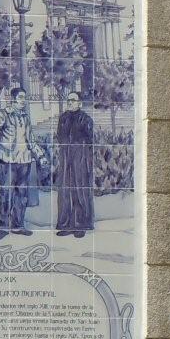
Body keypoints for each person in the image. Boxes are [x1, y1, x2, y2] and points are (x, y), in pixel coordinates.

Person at [0, 87, 48, 240]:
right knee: (5, 194)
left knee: (22, 195)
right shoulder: (3, 114)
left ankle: (18, 225)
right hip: (8, 160)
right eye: (21, 97)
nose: (23, 100)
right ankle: (1, 227)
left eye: (24, 97)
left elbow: (31, 139)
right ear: (13, 99)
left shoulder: (25, 117)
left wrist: (41, 156)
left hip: (25, 160)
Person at [54, 90, 96, 238]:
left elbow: (91, 141)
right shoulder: (63, 118)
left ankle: (80, 224)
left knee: (80, 189)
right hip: (66, 157)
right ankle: (65, 224)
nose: (70, 102)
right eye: (68, 100)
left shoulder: (86, 119)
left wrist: (84, 157)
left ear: (80, 103)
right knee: (65, 190)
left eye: (73, 100)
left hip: (80, 158)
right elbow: (59, 136)